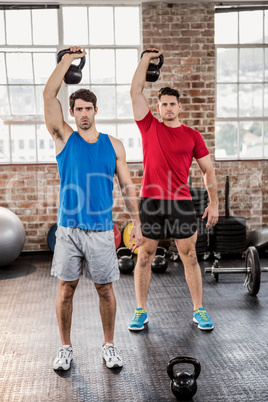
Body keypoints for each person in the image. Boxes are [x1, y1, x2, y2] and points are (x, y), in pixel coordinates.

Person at [43, 46, 142, 371]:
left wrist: (137, 223)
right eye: (78, 109)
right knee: (66, 289)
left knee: (105, 289)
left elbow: (128, 188)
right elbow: (48, 95)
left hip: (101, 230)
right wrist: (66, 62)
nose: (84, 113)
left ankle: (109, 345)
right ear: (72, 113)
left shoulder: (113, 146)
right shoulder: (64, 138)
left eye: (88, 108)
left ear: (96, 110)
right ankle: (65, 347)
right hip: (69, 229)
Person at [128, 48, 218, 332]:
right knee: (144, 256)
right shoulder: (149, 127)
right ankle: (140, 310)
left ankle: (199, 309)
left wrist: (213, 203)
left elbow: (208, 170)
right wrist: (145, 59)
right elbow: (134, 91)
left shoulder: (193, 136)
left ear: (180, 107)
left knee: (190, 256)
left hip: (180, 202)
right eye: (163, 104)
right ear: (158, 107)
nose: (167, 108)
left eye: (172, 104)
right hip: (151, 201)